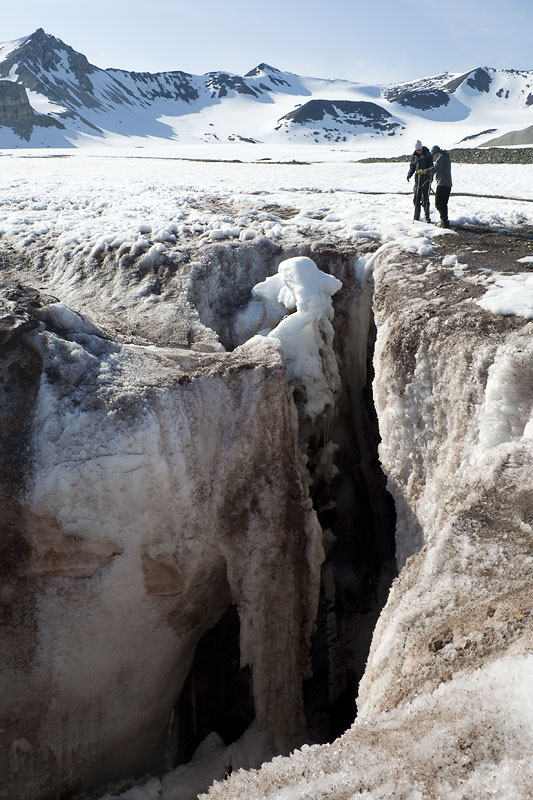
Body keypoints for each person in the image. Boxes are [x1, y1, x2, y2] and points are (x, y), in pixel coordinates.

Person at [418, 145, 452, 228]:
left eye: (433, 155)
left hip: (442, 183)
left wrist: (425, 171)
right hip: (447, 184)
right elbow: (440, 169)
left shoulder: (441, 158)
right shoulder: (446, 157)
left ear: (436, 153)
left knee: (439, 204)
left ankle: (444, 221)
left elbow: (436, 168)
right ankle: (444, 221)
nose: (433, 157)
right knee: (443, 203)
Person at [406, 140, 433, 222]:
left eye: (420, 149)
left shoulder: (427, 155)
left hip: (426, 179)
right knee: (416, 198)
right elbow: (412, 167)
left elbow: (431, 167)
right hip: (417, 180)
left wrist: (430, 177)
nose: (419, 151)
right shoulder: (414, 156)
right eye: (417, 150)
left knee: (425, 198)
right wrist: (409, 175)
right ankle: (416, 217)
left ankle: (427, 216)